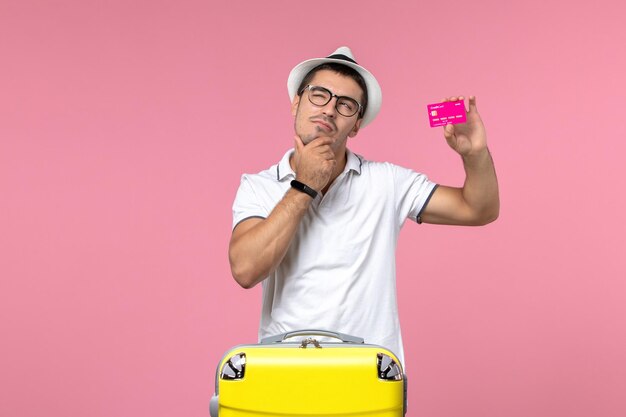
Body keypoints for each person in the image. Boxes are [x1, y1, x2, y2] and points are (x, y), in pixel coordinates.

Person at [228, 46, 499, 365]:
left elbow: (478, 209)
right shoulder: (258, 186)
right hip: (286, 372)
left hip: (368, 377)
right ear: (296, 103)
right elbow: (245, 270)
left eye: (345, 105)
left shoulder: (388, 182)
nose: (329, 109)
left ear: (356, 124)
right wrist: (305, 185)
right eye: (319, 95)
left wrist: (475, 153)